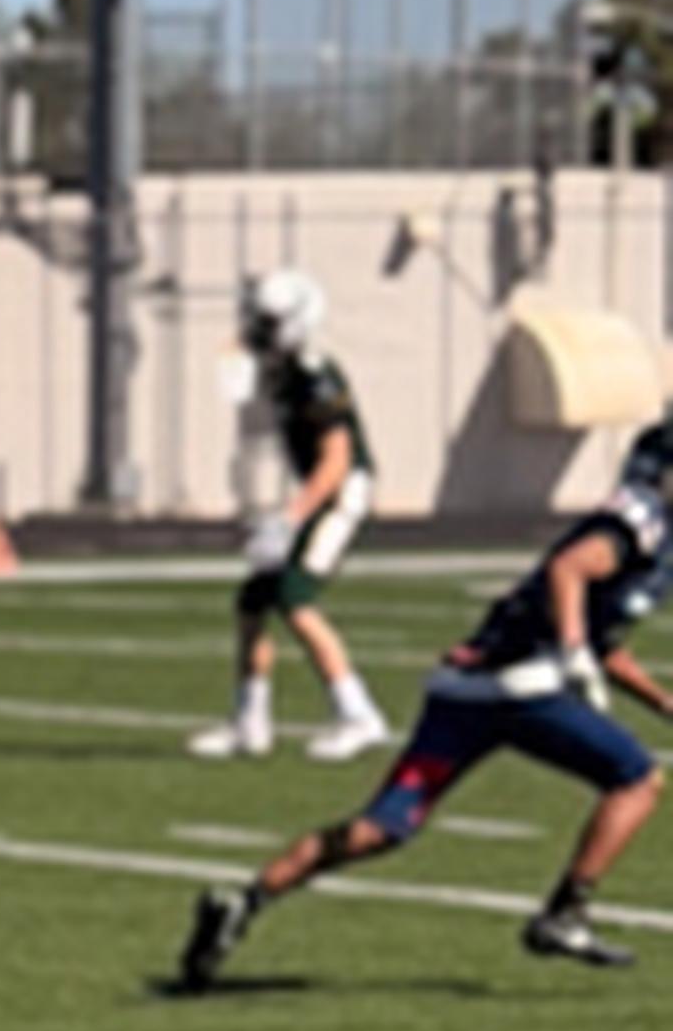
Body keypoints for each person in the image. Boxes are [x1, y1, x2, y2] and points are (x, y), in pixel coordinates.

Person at [178, 424, 673, 992]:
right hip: (521, 689)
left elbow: (605, 637)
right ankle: (565, 912)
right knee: (636, 779)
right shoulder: (640, 522)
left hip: (463, 692)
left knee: (380, 829)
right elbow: (570, 570)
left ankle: (244, 901)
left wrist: (658, 699)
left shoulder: (648, 530)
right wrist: (572, 651)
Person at [195, 269, 389, 763]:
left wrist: (290, 516)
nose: (260, 330)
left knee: (294, 597)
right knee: (253, 601)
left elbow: (337, 460)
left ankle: (358, 713)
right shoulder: (283, 369)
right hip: (318, 493)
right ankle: (250, 723)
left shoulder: (314, 374)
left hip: (341, 493)